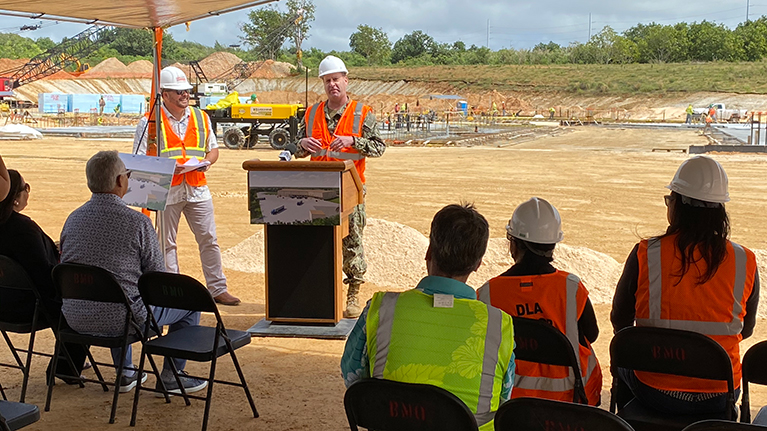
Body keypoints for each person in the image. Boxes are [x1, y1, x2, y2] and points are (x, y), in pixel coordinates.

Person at [341, 203, 515, 430]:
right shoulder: (499, 326)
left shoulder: (380, 309)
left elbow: (353, 381)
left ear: (429, 252)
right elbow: (504, 400)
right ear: (478, 264)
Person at [611, 155, 759, 415]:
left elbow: (620, 321)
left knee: (623, 360)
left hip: (654, 389)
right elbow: (745, 330)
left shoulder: (646, 253)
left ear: (678, 205)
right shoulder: (744, 260)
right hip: (720, 392)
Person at [60, 150, 209, 395]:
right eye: (127, 175)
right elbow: (157, 279)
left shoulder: (73, 219)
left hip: (75, 316)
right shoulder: (136, 222)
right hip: (125, 321)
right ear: (121, 181)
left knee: (117, 292)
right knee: (188, 305)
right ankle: (172, 376)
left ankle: (126, 372)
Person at [476, 197, 602, 405]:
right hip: (568, 404)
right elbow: (593, 334)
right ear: (553, 245)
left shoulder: (489, 293)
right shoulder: (571, 288)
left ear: (514, 244)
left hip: (509, 405)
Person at [133, 66, 240, 306]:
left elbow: (213, 149)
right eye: (179, 91)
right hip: (166, 190)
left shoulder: (201, 117)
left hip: (197, 187)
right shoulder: (150, 122)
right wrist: (166, 168)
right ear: (165, 94)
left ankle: (217, 288)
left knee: (209, 238)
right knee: (167, 243)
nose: (185, 95)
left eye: (187, 91)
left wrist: (206, 163)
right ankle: (173, 291)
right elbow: (138, 158)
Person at [292, 55, 386, 318]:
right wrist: (301, 146)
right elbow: (295, 148)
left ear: (346, 80)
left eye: (336, 79)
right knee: (318, 243)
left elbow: (379, 147)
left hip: (350, 190)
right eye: (327, 80)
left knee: (352, 242)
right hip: (317, 191)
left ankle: (353, 292)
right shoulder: (311, 113)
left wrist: (353, 140)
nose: (332, 84)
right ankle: (320, 294)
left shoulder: (362, 113)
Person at [0, 169, 87, 384]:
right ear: (15, 198)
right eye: (25, 188)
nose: (28, 193)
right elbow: (43, 275)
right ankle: (66, 366)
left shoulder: (13, 227)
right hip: (29, 306)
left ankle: (67, 360)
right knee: (82, 301)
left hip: (3, 303)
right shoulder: (23, 229)